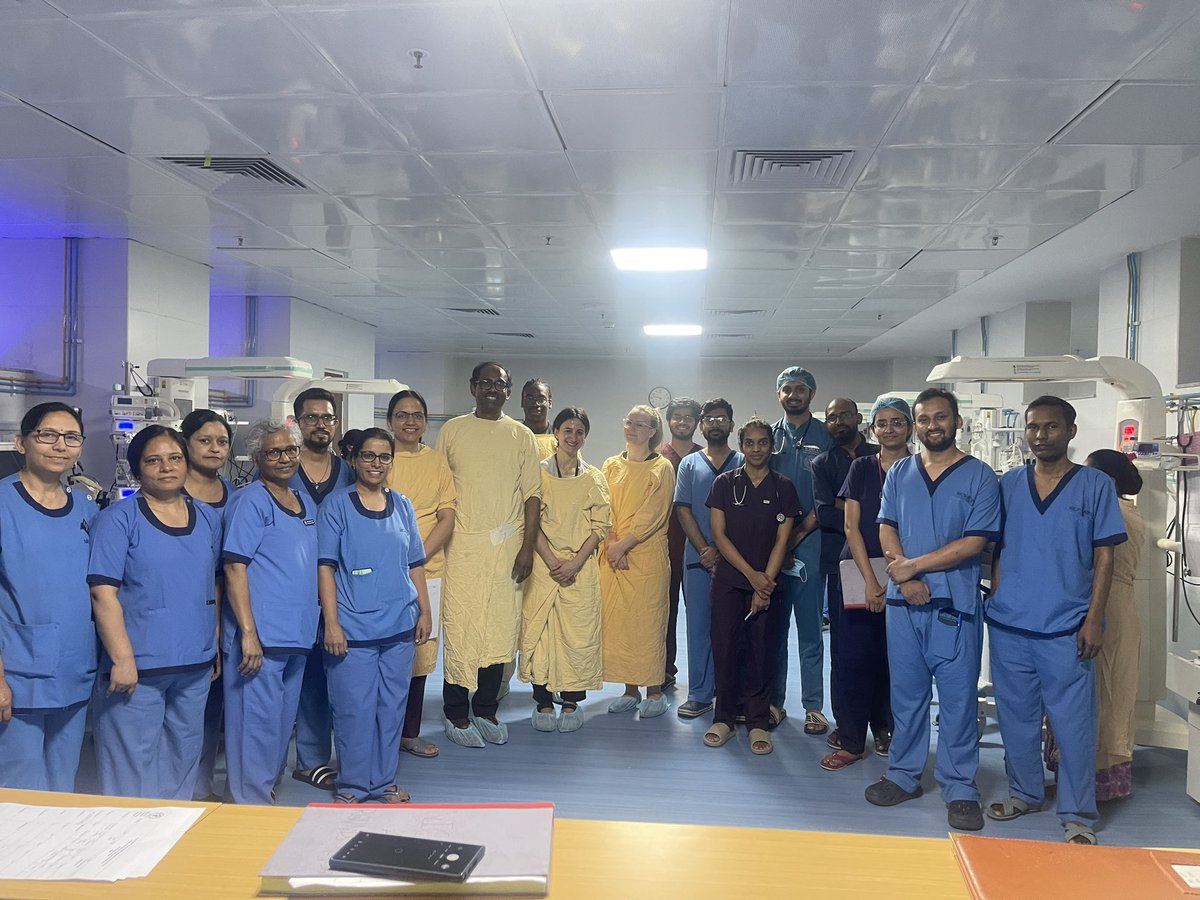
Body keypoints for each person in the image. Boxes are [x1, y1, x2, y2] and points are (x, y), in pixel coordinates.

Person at [985, 398, 1126, 845]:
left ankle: (1078, 813)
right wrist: (998, 596)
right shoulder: (1009, 484)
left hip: (1067, 627)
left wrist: (1094, 619)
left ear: (1070, 431)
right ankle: (1025, 793)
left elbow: (1105, 555)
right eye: (1033, 427)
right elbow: (997, 547)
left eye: (1051, 427)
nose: (1041, 435)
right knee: (1016, 719)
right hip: (1011, 624)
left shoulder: (1095, 485)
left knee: (1073, 725)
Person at [865, 388, 1000, 834]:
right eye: (923, 419)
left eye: (940, 417)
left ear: (957, 422)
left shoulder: (980, 477)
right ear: (915, 426)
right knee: (906, 696)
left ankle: (960, 788)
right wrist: (906, 579)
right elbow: (887, 527)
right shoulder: (901, 472)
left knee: (958, 702)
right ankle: (903, 775)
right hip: (904, 604)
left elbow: (974, 542)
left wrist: (914, 567)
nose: (932, 426)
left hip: (954, 606)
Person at [87, 425, 222, 799]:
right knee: (131, 769)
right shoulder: (118, 520)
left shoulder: (207, 518)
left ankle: (173, 829)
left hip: (193, 663)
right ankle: (129, 835)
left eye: (175, 458)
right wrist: (122, 659)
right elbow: (102, 593)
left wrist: (212, 642)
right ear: (137, 469)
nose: (166, 467)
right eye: (153, 460)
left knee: (183, 758)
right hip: (138, 667)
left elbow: (211, 584)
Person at [318, 428, 432, 803]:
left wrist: (425, 611)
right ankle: (352, 784)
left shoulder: (403, 505)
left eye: (384, 457)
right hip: (353, 629)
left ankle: (383, 783)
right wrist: (332, 624)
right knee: (354, 709)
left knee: (391, 708)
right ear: (354, 459)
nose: (376, 463)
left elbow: (415, 563)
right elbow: (325, 568)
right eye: (368, 455)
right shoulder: (336, 506)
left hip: (399, 625)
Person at [437, 362, 540, 748]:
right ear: (473, 388)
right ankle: (456, 711)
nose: (492, 389)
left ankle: (485, 708)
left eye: (499, 384)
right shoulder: (453, 430)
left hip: (507, 547)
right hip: (461, 545)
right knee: (461, 626)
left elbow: (533, 495)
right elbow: (441, 489)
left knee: (499, 627)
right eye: (485, 383)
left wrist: (527, 548)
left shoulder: (520, 435)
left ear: (509, 391)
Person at [220, 420, 319, 805]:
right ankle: (248, 805)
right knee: (255, 726)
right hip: (259, 637)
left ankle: (264, 795)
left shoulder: (303, 501)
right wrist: (248, 633)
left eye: (290, 450)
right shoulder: (250, 501)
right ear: (257, 458)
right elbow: (234, 567)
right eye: (273, 452)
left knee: (279, 725)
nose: (284, 458)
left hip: (296, 633)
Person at [0, 403, 98, 792]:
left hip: (74, 668)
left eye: (71, 437)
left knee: (63, 786)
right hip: (18, 674)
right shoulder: (4, 504)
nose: (60, 445)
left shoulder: (86, 508)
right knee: (21, 789)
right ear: (21, 443)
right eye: (47, 435)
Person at [704, 418, 803, 755]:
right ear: (741, 445)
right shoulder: (724, 483)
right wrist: (752, 577)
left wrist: (764, 586)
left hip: (768, 582)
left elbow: (782, 540)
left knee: (762, 651)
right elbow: (719, 536)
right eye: (750, 443)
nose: (756, 449)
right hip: (730, 582)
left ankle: (758, 722)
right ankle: (724, 718)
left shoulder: (783, 487)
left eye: (763, 442)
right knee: (726, 648)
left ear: (771, 446)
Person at [820, 398, 907, 772]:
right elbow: (851, 526)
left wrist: (900, 575)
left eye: (897, 422)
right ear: (873, 429)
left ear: (910, 427)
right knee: (853, 658)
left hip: (903, 573)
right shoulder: (862, 467)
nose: (889, 429)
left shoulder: (920, 468)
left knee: (894, 659)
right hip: (859, 572)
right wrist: (872, 582)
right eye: (882, 423)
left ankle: (886, 729)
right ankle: (851, 739)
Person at [520, 407, 610, 732]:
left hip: (579, 570)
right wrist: (552, 561)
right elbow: (530, 521)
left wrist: (574, 563)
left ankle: (571, 702)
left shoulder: (594, 478)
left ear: (585, 437)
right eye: (567, 430)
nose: (573, 437)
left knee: (577, 636)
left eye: (579, 432)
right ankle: (543, 702)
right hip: (544, 568)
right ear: (555, 433)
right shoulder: (538, 473)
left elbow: (601, 526)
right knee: (540, 636)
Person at [289, 387, 354, 791]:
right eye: (311, 417)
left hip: (338, 587)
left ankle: (332, 757)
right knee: (302, 676)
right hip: (292, 587)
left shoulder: (348, 472)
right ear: (297, 422)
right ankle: (308, 760)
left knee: (332, 674)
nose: (320, 424)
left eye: (327, 417)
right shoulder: (281, 468)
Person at [386, 389, 455, 759]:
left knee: (420, 653)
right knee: (384, 650)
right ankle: (382, 734)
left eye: (417, 415)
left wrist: (417, 557)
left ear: (426, 422)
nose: (409, 421)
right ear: (390, 421)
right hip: (383, 570)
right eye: (402, 414)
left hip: (427, 569)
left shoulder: (437, 462)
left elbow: (447, 516)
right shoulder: (380, 457)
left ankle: (409, 734)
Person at [769, 367, 834, 734]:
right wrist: (780, 541)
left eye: (800, 389)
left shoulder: (826, 437)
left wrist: (798, 535)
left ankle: (813, 706)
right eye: (787, 389)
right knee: (775, 631)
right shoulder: (769, 437)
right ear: (778, 394)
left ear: (812, 394)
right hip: (773, 547)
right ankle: (774, 703)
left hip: (811, 543)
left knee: (810, 631)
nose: (793, 395)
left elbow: (830, 494)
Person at [811, 398, 878, 750]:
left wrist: (851, 508)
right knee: (845, 651)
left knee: (884, 648)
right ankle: (847, 724)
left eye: (844, 415)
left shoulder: (879, 456)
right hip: (844, 564)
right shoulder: (823, 463)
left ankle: (883, 725)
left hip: (885, 561)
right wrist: (866, 514)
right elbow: (826, 512)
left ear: (859, 418)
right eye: (832, 417)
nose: (838, 421)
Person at [601, 405, 676, 718]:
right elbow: (602, 505)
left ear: (652, 431)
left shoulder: (662, 468)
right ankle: (630, 690)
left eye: (640, 424)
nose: (632, 428)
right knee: (621, 625)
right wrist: (611, 542)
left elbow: (653, 514)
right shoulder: (610, 465)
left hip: (645, 557)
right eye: (629, 422)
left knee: (647, 625)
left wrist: (624, 545)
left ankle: (654, 691)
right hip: (613, 557)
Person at [673, 399, 742, 719]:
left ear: (731, 425)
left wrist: (724, 552)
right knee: (699, 627)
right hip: (698, 560)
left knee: (733, 629)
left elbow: (749, 514)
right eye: (709, 419)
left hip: (737, 561)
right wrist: (705, 550)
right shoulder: (689, 464)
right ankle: (700, 693)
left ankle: (731, 694)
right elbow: (683, 509)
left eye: (721, 418)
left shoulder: (744, 461)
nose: (715, 423)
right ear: (702, 425)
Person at [181, 408, 236, 801]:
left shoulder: (236, 496)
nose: (215, 448)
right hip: (181, 612)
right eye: (205, 440)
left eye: (222, 441)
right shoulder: (168, 493)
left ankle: (202, 789)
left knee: (212, 707)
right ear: (186, 443)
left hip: (226, 611)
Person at [1085, 448, 1144, 802]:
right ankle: (1091, 780)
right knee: (1110, 693)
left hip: (1106, 607)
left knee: (1104, 695)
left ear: (1104, 480)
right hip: (1117, 606)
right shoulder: (1128, 511)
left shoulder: (1113, 515)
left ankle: (1094, 783)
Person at [659, 397, 703, 689]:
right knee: (665, 612)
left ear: (697, 422)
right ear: (668, 421)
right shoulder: (658, 457)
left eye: (688, 417)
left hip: (701, 547)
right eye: (677, 416)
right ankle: (663, 670)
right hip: (664, 546)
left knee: (703, 614)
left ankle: (707, 675)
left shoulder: (706, 457)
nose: (683, 421)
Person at [520, 378, 558, 459]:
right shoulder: (513, 434)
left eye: (541, 399)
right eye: (530, 398)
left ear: (550, 403)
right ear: (522, 402)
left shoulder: (560, 437)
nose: (535, 404)